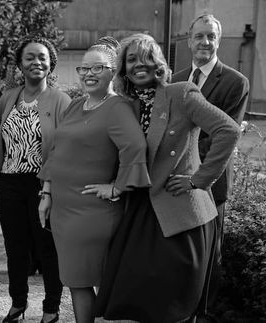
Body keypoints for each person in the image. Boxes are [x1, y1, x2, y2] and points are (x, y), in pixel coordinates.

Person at [94, 33, 241, 323]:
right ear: (123, 68)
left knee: (171, 305)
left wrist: (199, 179)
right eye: (131, 59)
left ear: (158, 63)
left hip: (178, 212)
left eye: (146, 57)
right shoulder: (125, 105)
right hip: (138, 209)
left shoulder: (181, 93)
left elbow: (229, 131)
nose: (139, 64)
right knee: (132, 297)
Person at [37, 36, 151, 323]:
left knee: (85, 278)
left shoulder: (117, 108)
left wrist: (117, 188)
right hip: (63, 209)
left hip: (91, 213)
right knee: (77, 280)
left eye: (97, 68)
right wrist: (47, 193)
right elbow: (56, 150)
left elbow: (135, 148)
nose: (88, 74)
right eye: (83, 69)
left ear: (113, 71)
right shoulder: (76, 105)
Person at [171, 14, 250, 321]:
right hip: (175, 179)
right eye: (199, 36)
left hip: (210, 180)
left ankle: (202, 314)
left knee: (208, 253)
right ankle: (177, 309)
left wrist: (189, 166)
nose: (205, 42)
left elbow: (221, 134)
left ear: (219, 41)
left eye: (211, 37)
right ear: (189, 40)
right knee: (181, 250)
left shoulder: (235, 82)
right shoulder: (175, 79)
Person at [0, 35, 68, 323]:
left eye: (42, 57)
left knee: (47, 248)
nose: (36, 62)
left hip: (43, 185)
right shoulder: (8, 97)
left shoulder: (61, 100)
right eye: (30, 58)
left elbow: (64, 147)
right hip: (10, 184)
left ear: (51, 63)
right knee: (16, 249)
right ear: (20, 65)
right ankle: (18, 304)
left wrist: (49, 187)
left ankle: (51, 309)